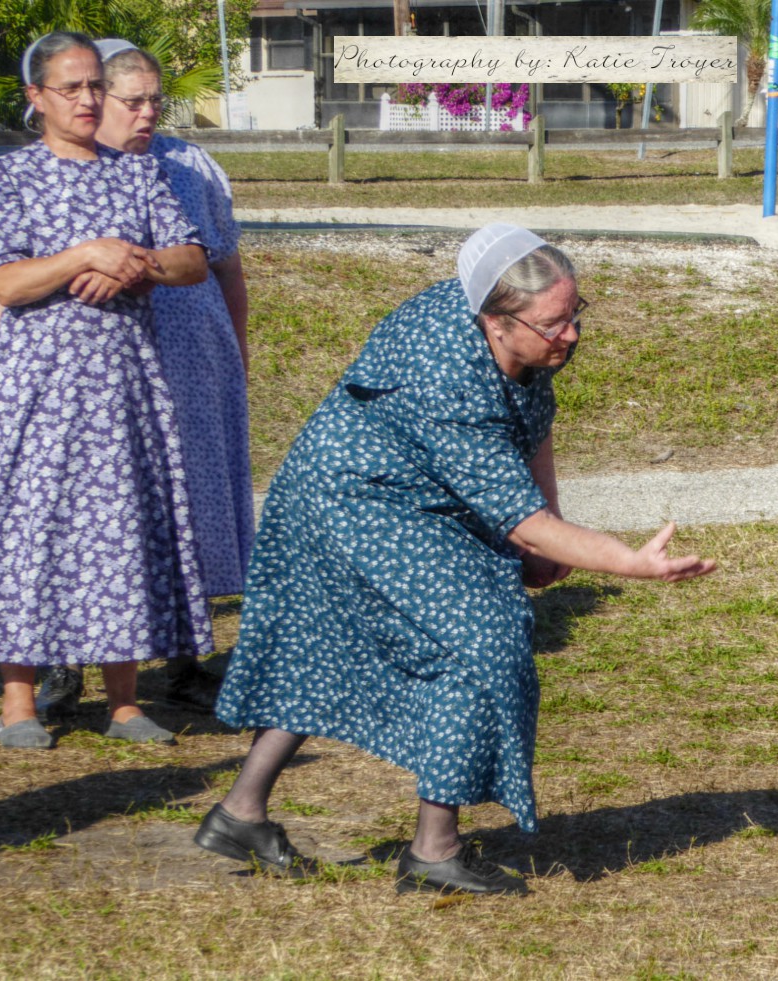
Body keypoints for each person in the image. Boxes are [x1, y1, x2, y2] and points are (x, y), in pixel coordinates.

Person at [193, 225, 717, 893]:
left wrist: (547, 518)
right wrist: (627, 560)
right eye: (554, 324)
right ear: (495, 321)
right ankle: (434, 851)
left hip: (395, 489)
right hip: (355, 497)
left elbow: (531, 416)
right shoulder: (448, 374)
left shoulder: (500, 325)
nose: (572, 336)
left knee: (344, 643)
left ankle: (240, 813)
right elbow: (523, 524)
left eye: (575, 315)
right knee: (481, 640)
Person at [0, 32, 211, 749]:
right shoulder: (7, 177)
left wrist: (137, 263)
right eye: (72, 88)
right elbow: (7, 279)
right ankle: (18, 700)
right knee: (30, 530)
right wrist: (85, 255)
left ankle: (123, 701)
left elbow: (192, 260)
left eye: (96, 85)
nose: (90, 100)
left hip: (124, 386)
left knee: (119, 528)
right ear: (36, 98)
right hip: (37, 388)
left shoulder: (134, 174)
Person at [34, 38, 253, 718]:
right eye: (134, 101)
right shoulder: (60, 172)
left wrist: (236, 353)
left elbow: (224, 264)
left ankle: (186, 660)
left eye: (157, 100)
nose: (149, 113)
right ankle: (63, 665)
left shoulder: (190, 164)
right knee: (86, 508)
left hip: (194, 365)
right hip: (97, 369)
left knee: (189, 507)